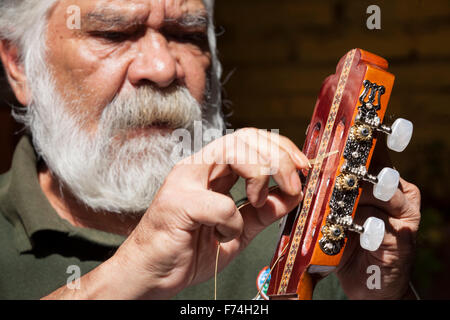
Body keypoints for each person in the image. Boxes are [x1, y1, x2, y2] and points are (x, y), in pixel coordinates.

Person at [0, 0, 421, 300]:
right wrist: (128, 275)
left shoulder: (281, 222)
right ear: (19, 63)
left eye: (187, 34)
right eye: (113, 33)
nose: (162, 69)